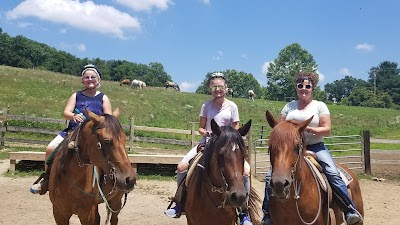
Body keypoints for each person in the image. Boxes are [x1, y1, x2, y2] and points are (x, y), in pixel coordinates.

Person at [261, 71, 363, 225]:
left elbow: (327, 129)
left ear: (312, 88)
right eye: (300, 85)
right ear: (296, 87)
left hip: (317, 147)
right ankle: (268, 214)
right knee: (271, 176)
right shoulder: (289, 107)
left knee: (332, 172)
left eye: (307, 86)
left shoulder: (319, 106)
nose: (304, 88)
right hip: (291, 149)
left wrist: (308, 129)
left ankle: (349, 209)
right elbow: (280, 129)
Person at [164, 72, 253, 225]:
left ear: (226, 88)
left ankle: (244, 211)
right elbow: (200, 127)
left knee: (246, 171)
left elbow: (235, 128)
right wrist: (206, 133)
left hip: (228, 144)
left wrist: (228, 137)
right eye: (214, 87)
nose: (217, 90)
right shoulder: (206, 105)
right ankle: (179, 202)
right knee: (182, 167)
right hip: (207, 143)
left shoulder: (232, 106)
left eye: (220, 87)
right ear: (210, 89)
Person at [29, 64, 112, 194]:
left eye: (93, 77)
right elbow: (66, 112)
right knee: (50, 148)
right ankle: (47, 178)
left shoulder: (103, 98)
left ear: (99, 80)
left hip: (95, 136)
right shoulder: (76, 95)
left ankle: (114, 179)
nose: (90, 79)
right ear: (82, 80)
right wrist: (73, 115)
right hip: (72, 132)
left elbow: (109, 119)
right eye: (87, 77)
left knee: (111, 152)